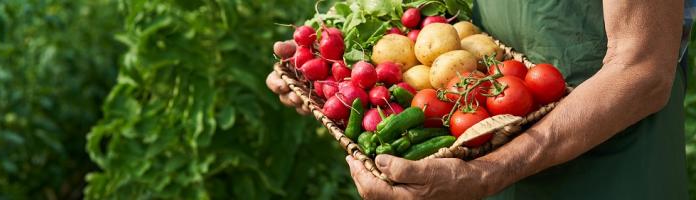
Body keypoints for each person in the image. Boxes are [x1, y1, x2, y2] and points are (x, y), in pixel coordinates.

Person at [266, 0, 691, 199]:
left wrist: (486, 174)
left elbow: (642, 70)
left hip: (607, 160)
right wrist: (332, 64)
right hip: (479, 122)